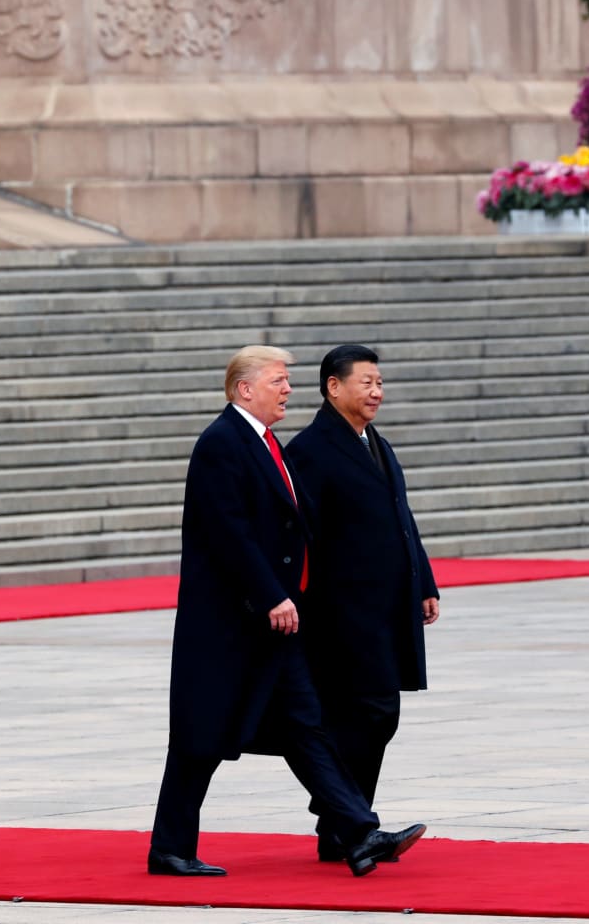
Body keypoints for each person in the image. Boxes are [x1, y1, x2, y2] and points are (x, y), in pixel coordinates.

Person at [149, 345, 427, 879]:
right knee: (198, 739)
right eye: (278, 380)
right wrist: (272, 594)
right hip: (231, 624)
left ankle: (358, 832)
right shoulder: (221, 444)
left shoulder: (266, 442)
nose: (287, 389)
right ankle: (169, 848)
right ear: (244, 388)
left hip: (275, 624)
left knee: (306, 725)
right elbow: (229, 533)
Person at [285, 344, 440, 863]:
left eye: (379, 382)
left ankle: (341, 826)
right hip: (342, 614)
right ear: (334, 387)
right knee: (371, 712)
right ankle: (348, 824)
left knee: (374, 716)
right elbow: (301, 538)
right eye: (366, 382)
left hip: (387, 606)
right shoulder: (310, 450)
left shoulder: (375, 442)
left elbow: (402, 517)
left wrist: (424, 581)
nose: (377, 392)